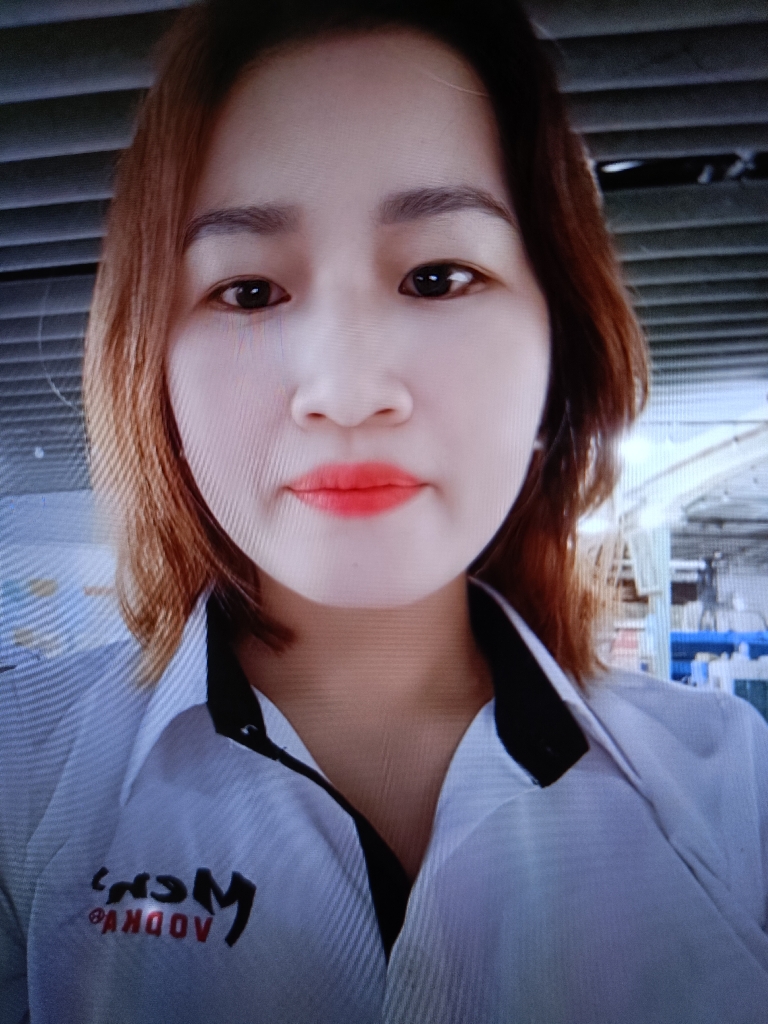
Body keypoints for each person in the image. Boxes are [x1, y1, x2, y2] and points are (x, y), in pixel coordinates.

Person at [1, 1, 767, 1021]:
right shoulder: (22, 781)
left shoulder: (734, 793)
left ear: (559, 347)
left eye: (437, 277)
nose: (348, 390)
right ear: (153, 368)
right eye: (249, 292)